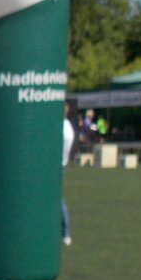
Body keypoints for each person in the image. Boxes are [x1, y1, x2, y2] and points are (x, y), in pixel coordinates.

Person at [62, 103, 75, 246]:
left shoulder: (62, 128)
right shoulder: (68, 126)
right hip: (62, 165)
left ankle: (65, 232)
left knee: (56, 199)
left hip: (58, 166)